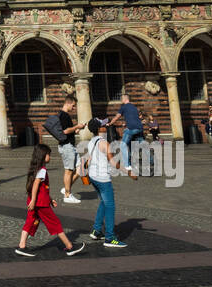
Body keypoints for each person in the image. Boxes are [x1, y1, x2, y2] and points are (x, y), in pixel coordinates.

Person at [15, 144, 85, 258]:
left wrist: (50, 199)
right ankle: (69, 247)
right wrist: (34, 200)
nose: (50, 157)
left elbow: (42, 189)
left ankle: (21, 246)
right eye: (48, 154)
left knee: (30, 222)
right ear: (43, 156)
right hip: (41, 204)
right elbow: (36, 185)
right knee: (55, 223)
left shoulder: (36, 169)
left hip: (37, 201)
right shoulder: (42, 170)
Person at [85, 118, 127, 248]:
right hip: (103, 178)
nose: (106, 126)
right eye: (104, 125)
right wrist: (127, 170)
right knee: (110, 206)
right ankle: (109, 238)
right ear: (99, 129)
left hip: (93, 176)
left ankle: (97, 231)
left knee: (104, 202)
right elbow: (112, 162)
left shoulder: (92, 141)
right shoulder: (104, 142)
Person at [44, 95, 83, 203]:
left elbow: (66, 132)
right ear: (68, 103)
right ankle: (67, 195)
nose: (74, 109)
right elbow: (65, 131)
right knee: (69, 171)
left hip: (70, 145)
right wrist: (76, 127)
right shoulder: (64, 115)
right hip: (67, 146)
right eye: (73, 106)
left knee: (80, 169)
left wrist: (76, 130)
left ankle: (66, 188)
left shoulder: (64, 115)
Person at [116, 95, 145, 172]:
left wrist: (110, 123)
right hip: (140, 128)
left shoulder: (124, 107)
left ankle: (127, 166)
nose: (121, 100)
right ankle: (148, 158)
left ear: (125, 99)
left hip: (132, 129)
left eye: (121, 98)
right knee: (133, 144)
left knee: (123, 145)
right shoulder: (134, 107)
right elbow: (135, 119)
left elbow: (117, 116)